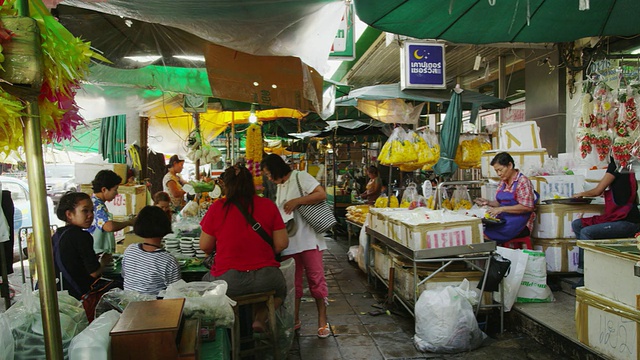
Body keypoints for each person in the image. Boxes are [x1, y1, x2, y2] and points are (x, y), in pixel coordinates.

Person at [200, 165, 288, 333]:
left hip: (229, 282)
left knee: (205, 283)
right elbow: (282, 244)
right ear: (251, 184)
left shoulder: (217, 208)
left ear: (226, 185)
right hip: (267, 277)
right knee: (280, 291)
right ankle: (260, 317)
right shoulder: (267, 205)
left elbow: (205, 247)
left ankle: (231, 322)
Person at [261, 154, 331, 338]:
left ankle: (323, 321)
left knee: (316, 281)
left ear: (276, 169)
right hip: (290, 244)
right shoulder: (280, 186)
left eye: (269, 174)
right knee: (293, 285)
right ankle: (295, 319)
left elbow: (321, 193)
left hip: (308, 240)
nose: (268, 178)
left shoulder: (300, 176)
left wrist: (297, 201)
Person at [571, 157, 640, 282]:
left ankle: (587, 274)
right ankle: (586, 268)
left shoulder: (617, 166)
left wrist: (580, 194)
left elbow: (598, 191)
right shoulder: (626, 167)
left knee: (587, 232)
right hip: (617, 216)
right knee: (578, 224)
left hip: (626, 221)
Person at [52, 192, 110, 300]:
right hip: (77, 295)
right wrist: (104, 261)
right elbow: (94, 272)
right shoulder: (82, 236)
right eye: (85, 211)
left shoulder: (57, 235)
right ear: (69, 214)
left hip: (57, 293)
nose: (90, 215)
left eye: (92, 211)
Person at [474, 152, 535, 242]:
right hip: (504, 220)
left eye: (500, 170)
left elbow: (527, 207)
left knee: (485, 236)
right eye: (496, 171)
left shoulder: (522, 181)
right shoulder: (503, 182)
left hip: (519, 223)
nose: (498, 174)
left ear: (510, 165)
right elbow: (500, 202)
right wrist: (488, 202)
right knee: (480, 230)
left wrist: (501, 209)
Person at [122, 206, 181, 296]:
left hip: (128, 305)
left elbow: (124, 275)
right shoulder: (168, 260)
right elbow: (175, 292)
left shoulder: (130, 250)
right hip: (155, 308)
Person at [88, 170, 136, 254]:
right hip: (97, 252)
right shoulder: (97, 205)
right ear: (104, 189)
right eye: (115, 190)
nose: (116, 193)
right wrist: (128, 222)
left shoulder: (95, 202)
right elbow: (109, 226)